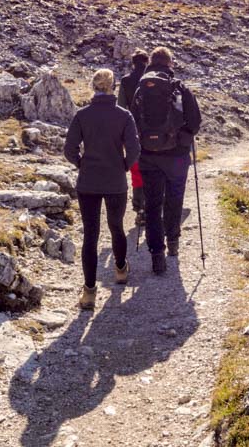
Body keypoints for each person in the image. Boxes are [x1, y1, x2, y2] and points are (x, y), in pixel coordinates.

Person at [64, 69, 141, 310]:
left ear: (93, 87)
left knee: (90, 234)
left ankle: (89, 292)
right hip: (115, 181)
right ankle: (120, 269)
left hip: (88, 182)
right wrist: (123, 166)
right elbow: (135, 150)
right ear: (113, 87)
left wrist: (82, 164)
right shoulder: (124, 115)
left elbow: (69, 149)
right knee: (116, 226)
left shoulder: (82, 115)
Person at [130, 47, 202, 275]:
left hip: (148, 156)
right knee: (174, 198)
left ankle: (156, 255)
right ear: (170, 63)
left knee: (152, 205)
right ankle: (173, 242)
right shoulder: (179, 87)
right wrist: (183, 139)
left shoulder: (141, 89)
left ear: (151, 62)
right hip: (176, 156)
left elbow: (131, 120)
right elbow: (195, 120)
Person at [117, 48, 150, 226]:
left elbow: (121, 108)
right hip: (156, 134)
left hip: (133, 133)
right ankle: (156, 206)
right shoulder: (155, 80)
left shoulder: (126, 81)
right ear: (147, 62)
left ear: (133, 63)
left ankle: (140, 209)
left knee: (137, 173)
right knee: (154, 171)